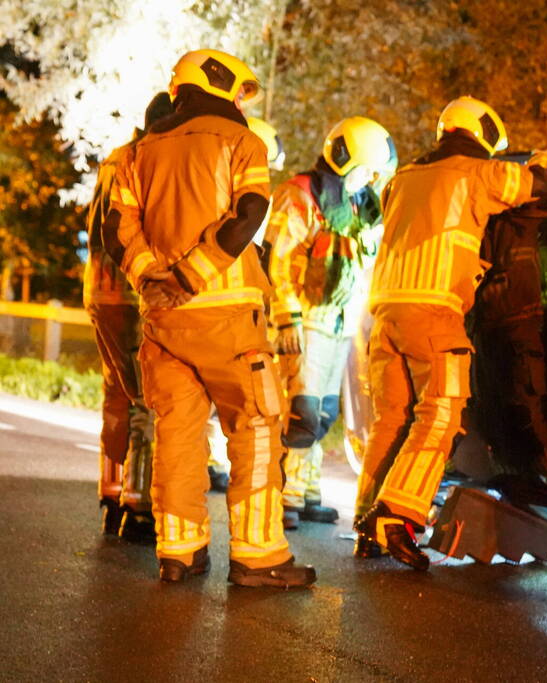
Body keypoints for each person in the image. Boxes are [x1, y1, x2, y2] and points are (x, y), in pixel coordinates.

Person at [103, 48, 315, 587]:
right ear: (219, 83)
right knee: (257, 426)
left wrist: (154, 280)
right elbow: (247, 216)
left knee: (177, 430)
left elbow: (114, 230)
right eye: (240, 91)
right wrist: (190, 276)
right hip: (225, 316)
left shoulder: (137, 151)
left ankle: (179, 552)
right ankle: (259, 557)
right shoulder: (243, 142)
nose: (241, 102)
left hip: (164, 321)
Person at [353, 96, 547, 569]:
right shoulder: (478, 173)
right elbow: (539, 185)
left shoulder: (402, 179)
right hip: (435, 314)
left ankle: (369, 521)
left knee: (391, 422)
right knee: (440, 415)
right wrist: (544, 159)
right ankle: (398, 515)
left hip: (384, 317)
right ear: (483, 134)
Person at [264, 116, 394, 529]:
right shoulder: (301, 196)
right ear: (348, 161)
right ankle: (282, 495)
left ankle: (305, 492)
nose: (372, 179)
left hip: (340, 323)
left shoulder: (360, 206)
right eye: (369, 170)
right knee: (300, 411)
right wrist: (287, 319)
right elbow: (277, 261)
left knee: (323, 413)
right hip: (306, 322)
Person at [86, 92, 173, 543]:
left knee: (115, 392)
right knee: (145, 395)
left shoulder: (114, 160)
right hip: (132, 290)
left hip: (100, 290)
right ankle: (139, 506)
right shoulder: (147, 161)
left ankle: (112, 490)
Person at [206, 115, 288, 494]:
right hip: (229, 309)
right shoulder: (236, 190)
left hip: (239, 306)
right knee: (240, 400)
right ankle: (211, 461)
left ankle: (212, 460)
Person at [471, 204, 547, 486]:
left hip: (510, 332)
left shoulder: (510, 232)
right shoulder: (513, 231)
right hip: (498, 332)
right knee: (501, 414)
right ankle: (530, 482)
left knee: (524, 414)